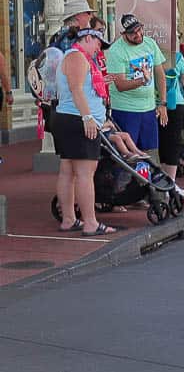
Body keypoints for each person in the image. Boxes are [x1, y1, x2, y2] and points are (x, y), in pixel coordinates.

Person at [53, 28, 118, 236]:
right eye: (98, 43)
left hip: (68, 119)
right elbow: (76, 88)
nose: (99, 49)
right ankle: (90, 222)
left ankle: (69, 219)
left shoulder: (78, 58)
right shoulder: (77, 57)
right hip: (77, 120)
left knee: (68, 171)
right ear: (87, 38)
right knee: (84, 173)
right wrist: (88, 117)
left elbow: (82, 88)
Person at [106, 14, 168, 155]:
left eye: (140, 30)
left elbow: (159, 74)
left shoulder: (150, 43)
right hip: (126, 110)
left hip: (148, 108)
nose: (138, 35)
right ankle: (128, 177)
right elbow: (120, 85)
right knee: (128, 153)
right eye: (133, 33)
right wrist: (143, 81)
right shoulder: (116, 51)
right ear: (123, 34)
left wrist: (162, 103)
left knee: (149, 152)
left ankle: (146, 177)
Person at [159, 32, 184, 186]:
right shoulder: (178, 57)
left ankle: (158, 177)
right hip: (175, 101)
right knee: (173, 140)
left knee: (160, 140)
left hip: (155, 102)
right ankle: (170, 180)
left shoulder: (153, 55)